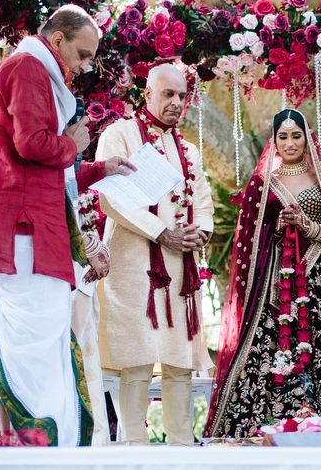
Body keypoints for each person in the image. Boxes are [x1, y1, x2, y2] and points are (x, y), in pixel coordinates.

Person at [0, 5, 135, 446]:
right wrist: (74, 143)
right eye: (83, 54)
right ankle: (45, 446)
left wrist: (99, 167)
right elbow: (32, 144)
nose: (85, 65)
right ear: (57, 41)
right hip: (26, 231)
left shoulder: (28, 68)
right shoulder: (29, 68)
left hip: (31, 225)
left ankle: (53, 444)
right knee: (35, 344)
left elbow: (50, 168)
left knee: (44, 340)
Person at [206, 109, 321, 438]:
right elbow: (250, 236)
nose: (290, 142)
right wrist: (276, 229)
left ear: (307, 139)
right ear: (275, 141)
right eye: (284, 136)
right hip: (276, 281)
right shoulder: (263, 183)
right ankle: (266, 430)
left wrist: (308, 227)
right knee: (268, 347)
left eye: (297, 136)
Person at [95, 63, 214, 446]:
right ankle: (134, 450)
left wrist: (201, 233)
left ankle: (181, 450)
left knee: (180, 362)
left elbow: (203, 203)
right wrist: (162, 233)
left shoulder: (189, 150)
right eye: (168, 94)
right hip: (134, 268)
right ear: (147, 94)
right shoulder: (120, 135)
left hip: (181, 270)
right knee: (137, 360)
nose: (177, 103)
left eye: (182, 96)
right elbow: (110, 197)